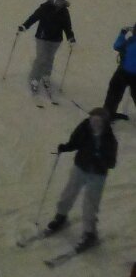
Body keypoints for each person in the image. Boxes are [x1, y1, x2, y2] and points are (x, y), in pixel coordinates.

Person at [46, 108, 117, 252]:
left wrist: (100, 158)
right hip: (80, 167)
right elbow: (75, 141)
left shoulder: (109, 139)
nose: (94, 123)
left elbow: (111, 163)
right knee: (68, 193)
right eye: (92, 119)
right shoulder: (84, 128)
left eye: (98, 121)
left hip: (97, 174)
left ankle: (90, 233)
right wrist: (66, 147)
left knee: (90, 204)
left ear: (104, 123)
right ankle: (61, 216)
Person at [19, 0, 75, 93]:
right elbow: (34, 17)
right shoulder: (44, 8)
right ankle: (35, 78)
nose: (60, 4)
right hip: (42, 38)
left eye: (62, 2)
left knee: (49, 58)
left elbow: (67, 26)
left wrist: (70, 37)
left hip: (56, 40)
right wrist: (25, 26)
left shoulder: (64, 12)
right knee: (41, 58)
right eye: (58, 1)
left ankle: (46, 75)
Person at [103, 25, 136, 118]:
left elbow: (117, 46)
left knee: (114, 94)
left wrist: (122, 33)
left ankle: (108, 114)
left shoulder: (130, 41)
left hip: (122, 72)